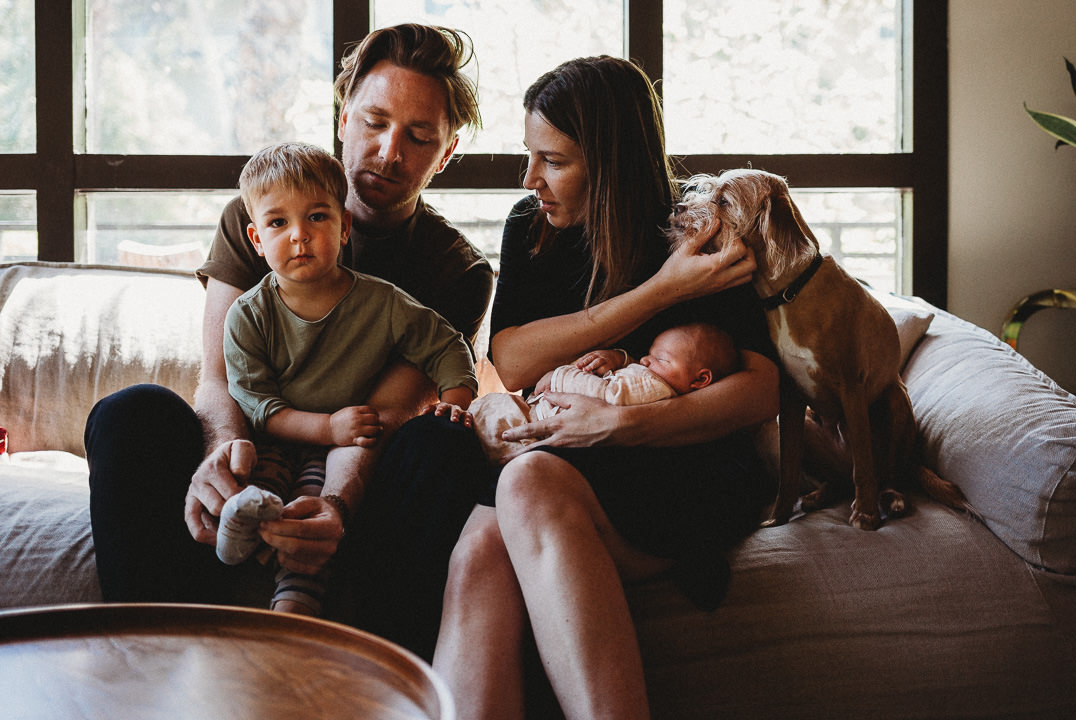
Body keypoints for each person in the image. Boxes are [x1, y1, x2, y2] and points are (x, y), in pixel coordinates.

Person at [84, 24, 493, 659]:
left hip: (355, 466)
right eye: (375, 122)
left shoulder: (455, 270)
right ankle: (148, 660)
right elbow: (220, 379)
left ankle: (383, 677)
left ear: (445, 154)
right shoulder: (263, 214)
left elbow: (383, 416)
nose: (388, 153)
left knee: (440, 444)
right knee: (129, 413)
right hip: (254, 438)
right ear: (343, 118)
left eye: (418, 137)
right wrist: (220, 458)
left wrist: (335, 507)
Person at [430, 56, 780, 720]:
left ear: (611, 162)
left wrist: (621, 425)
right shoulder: (531, 227)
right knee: (480, 545)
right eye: (531, 156)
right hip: (572, 456)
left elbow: (760, 390)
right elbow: (513, 356)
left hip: (681, 463)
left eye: (553, 161)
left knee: (524, 484)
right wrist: (660, 293)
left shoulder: (702, 230)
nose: (530, 178)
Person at [216, 141, 476, 616]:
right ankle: (237, 538)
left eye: (317, 217)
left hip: (338, 451)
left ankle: (292, 610)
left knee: (307, 510)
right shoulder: (248, 314)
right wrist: (326, 425)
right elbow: (255, 404)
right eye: (279, 223)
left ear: (344, 227)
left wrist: (455, 400)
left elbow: (446, 346)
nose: (300, 236)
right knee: (257, 487)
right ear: (256, 239)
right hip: (278, 438)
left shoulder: (383, 303)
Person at [469, 322, 739, 465]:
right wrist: (620, 358)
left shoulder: (657, 388)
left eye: (661, 359)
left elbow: (607, 395)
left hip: (532, 427)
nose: (645, 361)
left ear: (700, 379)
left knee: (491, 416)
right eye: (648, 354)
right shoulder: (653, 380)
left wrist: (561, 375)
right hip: (537, 418)